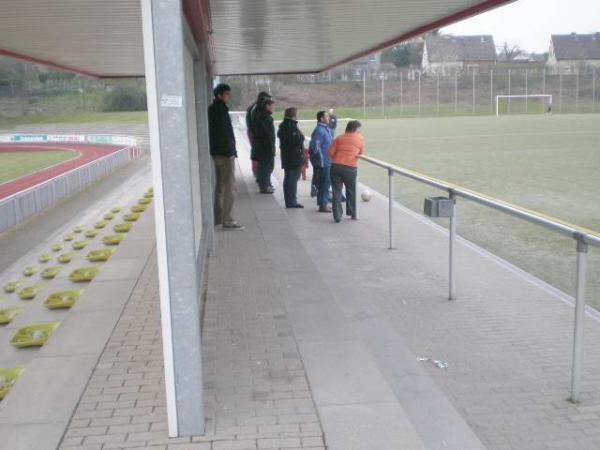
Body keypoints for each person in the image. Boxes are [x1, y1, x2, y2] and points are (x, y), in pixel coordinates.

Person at [208, 83, 244, 230]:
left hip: (216, 153)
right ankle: (227, 220)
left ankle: (218, 218)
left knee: (219, 187)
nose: (229, 96)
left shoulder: (212, 109)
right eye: (227, 94)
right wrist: (230, 152)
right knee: (229, 187)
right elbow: (224, 134)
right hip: (224, 154)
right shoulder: (220, 111)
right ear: (219, 95)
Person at [329, 120, 365, 223]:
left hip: (336, 166)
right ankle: (352, 213)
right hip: (350, 168)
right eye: (359, 129)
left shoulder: (339, 138)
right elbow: (361, 152)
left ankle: (337, 216)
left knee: (336, 192)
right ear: (356, 129)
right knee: (351, 191)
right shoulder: (360, 138)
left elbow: (330, 153)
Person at [277, 107, 305, 208]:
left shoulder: (284, 125)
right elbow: (295, 141)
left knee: (289, 179)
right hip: (293, 157)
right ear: (294, 115)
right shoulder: (290, 126)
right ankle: (291, 201)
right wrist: (301, 137)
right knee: (292, 180)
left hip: (288, 157)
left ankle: (290, 200)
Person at [309, 111, 333, 212]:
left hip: (327, 161)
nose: (329, 118)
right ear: (321, 119)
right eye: (327, 116)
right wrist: (319, 161)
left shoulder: (325, 129)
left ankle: (322, 203)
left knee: (324, 183)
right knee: (325, 184)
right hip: (324, 162)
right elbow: (314, 147)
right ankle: (323, 205)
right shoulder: (320, 130)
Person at [246, 91, 271, 178]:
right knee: (257, 151)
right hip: (254, 132)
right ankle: (257, 171)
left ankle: (256, 171)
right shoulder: (256, 108)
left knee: (256, 150)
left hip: (252, 131)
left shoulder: (253, 107)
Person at [254, 98, 276, 193]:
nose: (273, 108)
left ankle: (265, 184)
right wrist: (271, 148)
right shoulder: (265, 118)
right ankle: (264, 186)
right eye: (272, 106)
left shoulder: (263, 117)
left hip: (263, 147)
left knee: (266, 166)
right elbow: (267, 135)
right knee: (266, 166)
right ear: (267, 106)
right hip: (265, 148)